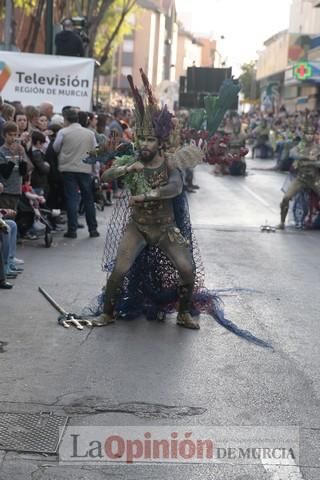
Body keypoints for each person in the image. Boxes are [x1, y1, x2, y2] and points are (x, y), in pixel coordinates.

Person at [53, 108, 99, 238]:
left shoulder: (63, 132)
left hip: (68, 169)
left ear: (66, 119)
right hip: (85, 169)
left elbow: (56, 147)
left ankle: (72, 230)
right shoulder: (89, 134)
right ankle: (93, 229)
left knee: (72, 199)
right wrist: (96, 172)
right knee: (88, 199)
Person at [278, 122, 320, 229]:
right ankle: (282, 222)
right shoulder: (299, 147)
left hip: (314, 178)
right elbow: (292, 154)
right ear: (304, 135)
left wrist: (313, 163)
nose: (310, 136)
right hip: (301, 178)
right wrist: (307, 158)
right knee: (286, 198)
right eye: (307, 133)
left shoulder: (318, 148)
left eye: (312, 134)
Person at [0, 122, 28, 210]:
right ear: (4, 135)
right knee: (6, 219)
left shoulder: (19, 149)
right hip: (6, 192)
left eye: (15, 135)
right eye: (10, 135)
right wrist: (13, 158)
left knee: (14, 218)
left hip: (17, 190)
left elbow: (23, 172)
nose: (13, 138)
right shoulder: (1, 151)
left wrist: (22, 158)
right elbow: (5, 174)